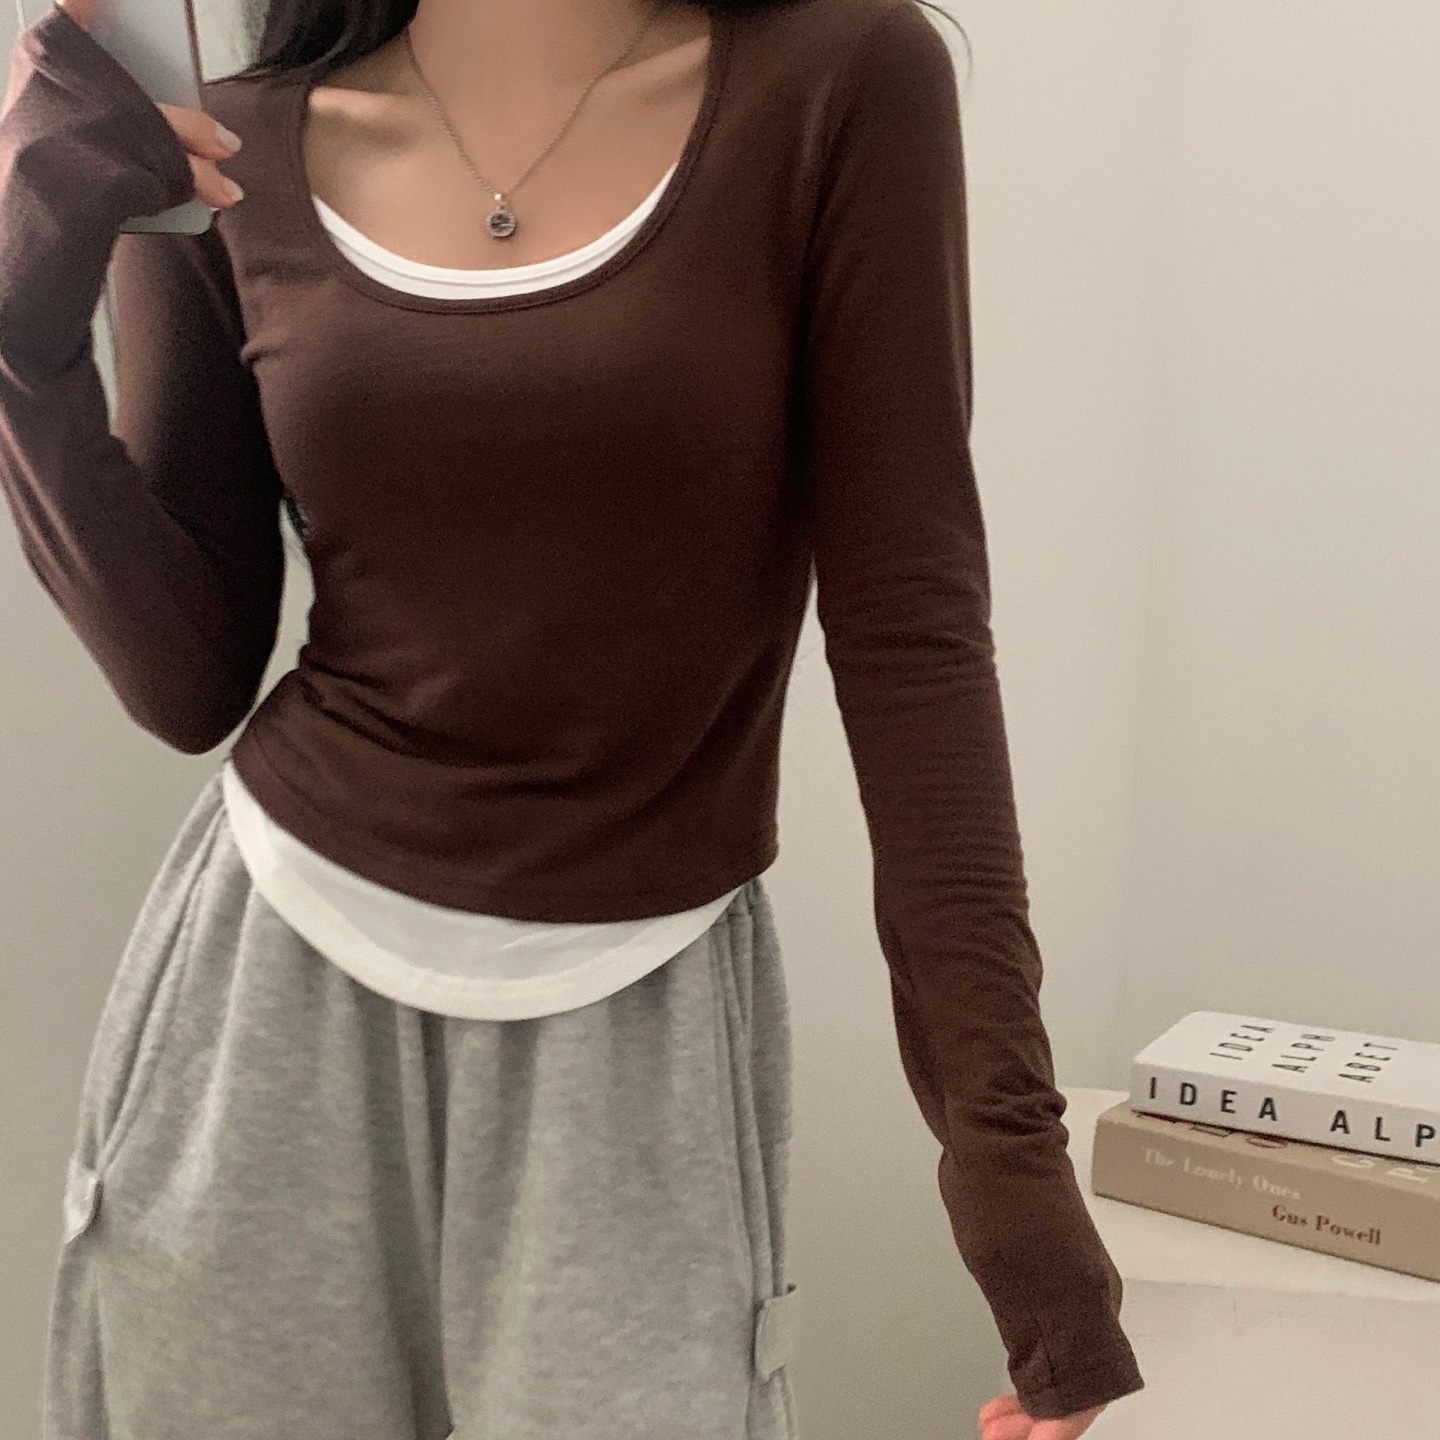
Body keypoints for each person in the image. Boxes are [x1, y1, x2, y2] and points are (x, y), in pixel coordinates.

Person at [0, 0, 1145, 1432]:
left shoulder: (840, 82)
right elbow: (187, 679)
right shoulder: (230, 145)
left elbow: (912, 640)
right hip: (263, 1009)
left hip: (638, 1012)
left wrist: (1016, 1193)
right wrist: (22, 316)